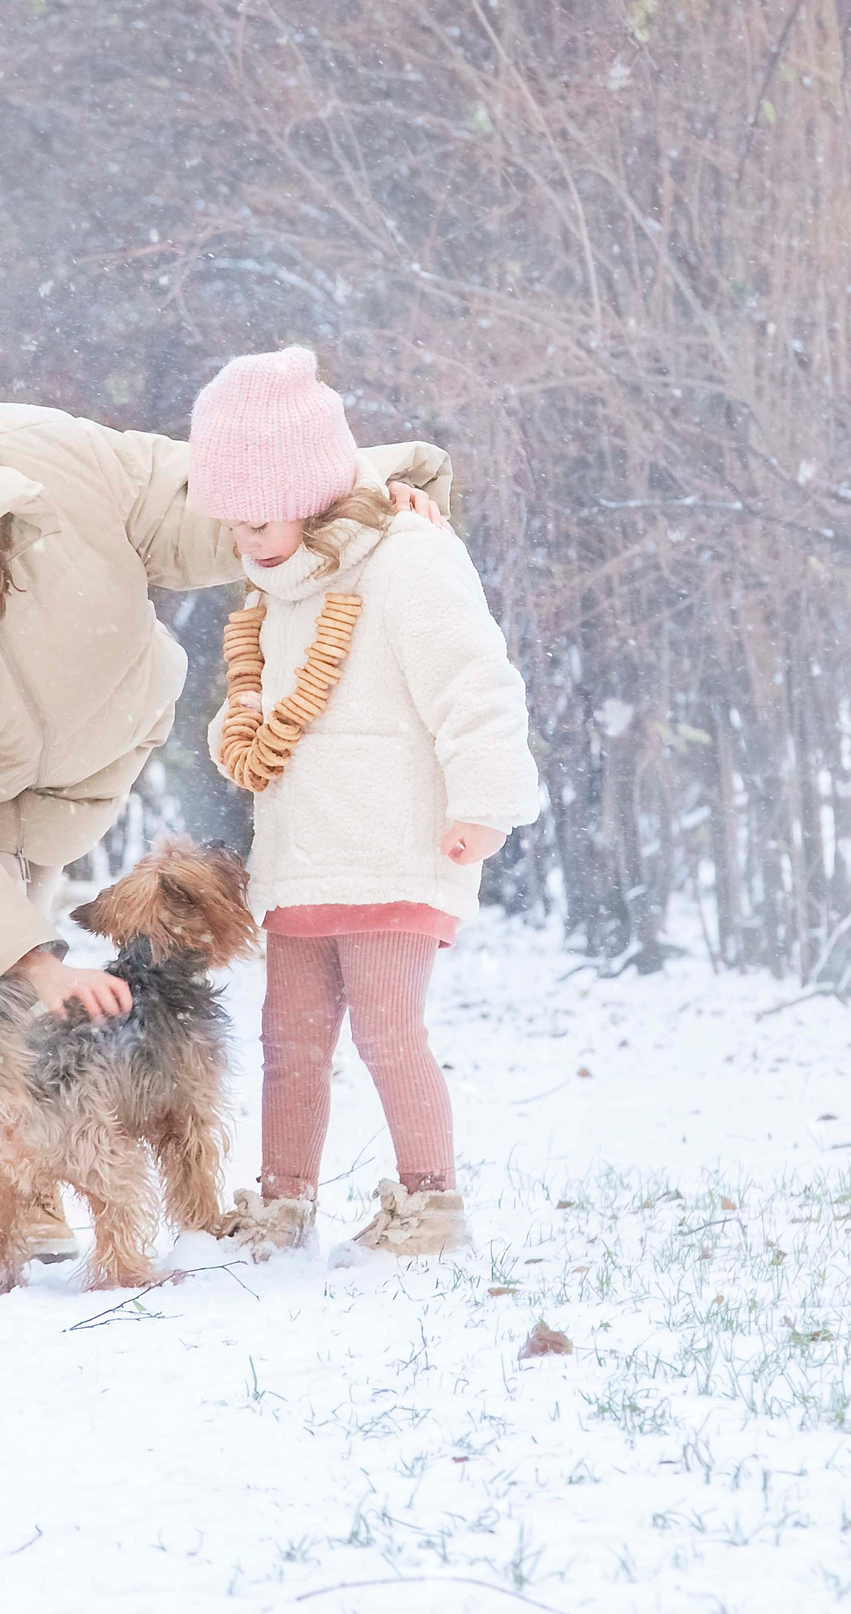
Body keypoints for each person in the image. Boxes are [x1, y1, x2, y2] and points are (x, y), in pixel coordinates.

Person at [0, 380, 448, 1278]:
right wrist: (29, 958)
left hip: (90, 750)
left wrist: (366, 500)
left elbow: (213, 496)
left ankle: (31, 1161)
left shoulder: (44, 463)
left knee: (25, 917)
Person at [190, 349, 542, 1260]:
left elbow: (475, 683)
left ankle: (431, 1203)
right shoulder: (276, 585)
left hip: (393, 842)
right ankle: (283, 1202)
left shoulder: (409, 557)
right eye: (231, 525)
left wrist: (485, 802)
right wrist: (241, 727)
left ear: (310, 493)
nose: (245, 541)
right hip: (302, 851)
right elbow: (271, 698)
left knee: (389, 1029)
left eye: (257, 520)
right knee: (289, 1040)